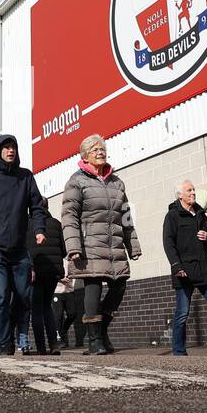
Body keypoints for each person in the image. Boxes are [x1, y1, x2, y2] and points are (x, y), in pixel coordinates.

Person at [62, 134, 141, 355]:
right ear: (85, 156)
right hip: (89, 245)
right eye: (95, 149)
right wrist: (74, 247)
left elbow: (126, 216)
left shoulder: (117, 183)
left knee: (119, 287)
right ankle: (95, 339)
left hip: (114, 245)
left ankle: (101, 330)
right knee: (93, 288)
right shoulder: (77, 181)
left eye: (102, 148)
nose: (100, 152)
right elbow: (69, 216)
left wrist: (132, 245)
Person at [0, 134, 48, 356]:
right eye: (5, 148)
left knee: (24, 296)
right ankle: (4, 344)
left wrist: (40, 229)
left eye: (12, 147)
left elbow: (36, 205)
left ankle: (16, 335)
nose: (10, 151)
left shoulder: (26, 177)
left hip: (20, 249)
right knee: (1, 296)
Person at [163, 181, 207, 358]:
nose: (193, 193)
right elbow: (168, 243)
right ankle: (179, 351)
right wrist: (176, 266)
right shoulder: (172, 216)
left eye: (193, 190)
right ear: (180, 195)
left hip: (204, 268)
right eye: (188, 190)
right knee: (182, 313)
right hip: (184, 270)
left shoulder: (200, 214)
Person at [28, 198, 66, 355]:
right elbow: (63, 250)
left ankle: (41, 347)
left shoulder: (28, 224)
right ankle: (54, 344)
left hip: (35, 271)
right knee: (47, 307)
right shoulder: (56, 223)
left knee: (36, 309)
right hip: (52, 271)